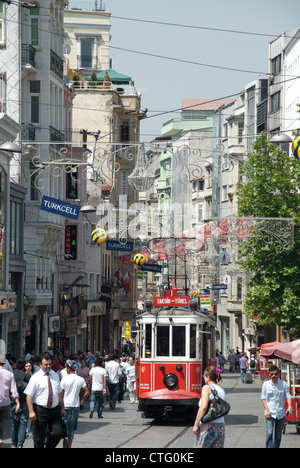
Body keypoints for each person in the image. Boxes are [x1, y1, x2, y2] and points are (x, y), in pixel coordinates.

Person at [24, 353, 66, 448]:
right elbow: (29, 396)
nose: (48, 366)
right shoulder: (35, 377)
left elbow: (59, 393)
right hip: (40, 411)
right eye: (46, 364)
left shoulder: (55, 375)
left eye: (49, 364)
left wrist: (62, 407)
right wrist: (31, 412)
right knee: (39, 438)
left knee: (58, 433)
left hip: (55, 410)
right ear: (40, 365)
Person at [193, 366, 226, 448]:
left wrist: (196, 424)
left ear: (208, 377)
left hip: (207, 426)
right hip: (220, 426)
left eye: (204, 376)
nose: (203, 378)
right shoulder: (221, 390)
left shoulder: (206, 388)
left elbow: (203, 407)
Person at [261, 365, 293, 448]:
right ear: (269, 374)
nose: (273, 376)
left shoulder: (283, 384)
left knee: (278, 435)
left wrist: (289, 406)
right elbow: (263, 398)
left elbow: (288, 396)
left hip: (280, 413)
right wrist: (267, 411)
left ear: (278, 374)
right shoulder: (265, 384)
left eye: (275, 374)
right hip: (270, 413)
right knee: (269, 433)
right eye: (272, 374)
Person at [61, 360, 89, 448]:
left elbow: (61, 393)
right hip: (75, 405)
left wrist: (60, 404)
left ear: (69, 369)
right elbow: (87, 392)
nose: (66, 369)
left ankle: (65, 437)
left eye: (67, 367)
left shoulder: (64, 379)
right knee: (72, 426)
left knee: (64, 423)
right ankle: (69, 445)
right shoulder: (80, 379)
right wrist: (81, 398)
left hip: (65, 405)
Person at [0, 354, 20, 448]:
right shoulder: (10, 374)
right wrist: (18, 402)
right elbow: (14, 390)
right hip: (5, 402)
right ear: (5, 363)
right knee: (1, 423)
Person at [11, 359, 31, 448]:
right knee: (23, 423)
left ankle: (14, 444)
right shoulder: (27, 376)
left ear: (16, 366)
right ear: (24, 367)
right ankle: (20, 445)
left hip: (14, 401)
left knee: (15, 424)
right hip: (25, 401)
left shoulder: (12, 375)